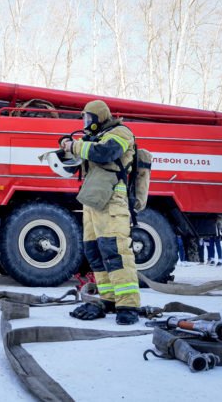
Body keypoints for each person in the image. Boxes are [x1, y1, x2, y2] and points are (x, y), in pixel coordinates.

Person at [61, 100, 140, 325]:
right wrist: (65, 144)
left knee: (115, 252)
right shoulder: (95, 136)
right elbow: (81, 155)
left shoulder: (120, 133)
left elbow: (105, 152)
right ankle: (109, 299)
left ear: (99, 118)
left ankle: (128, 304)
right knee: (95, 252)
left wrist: (74, 146)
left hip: (113, 203)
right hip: (94, 203)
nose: (86, 123)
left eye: (89, 119)